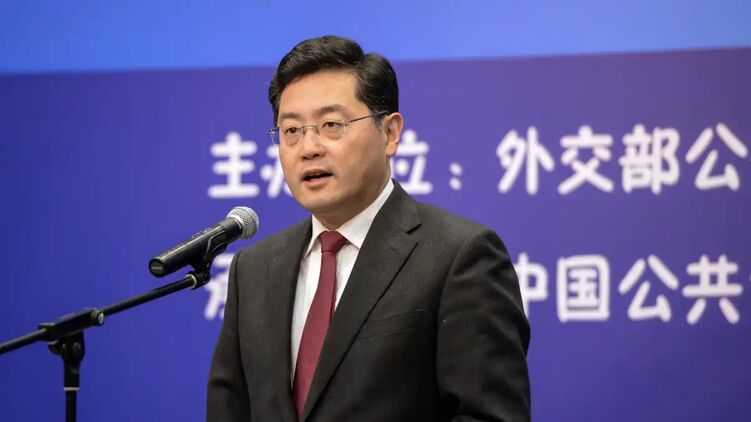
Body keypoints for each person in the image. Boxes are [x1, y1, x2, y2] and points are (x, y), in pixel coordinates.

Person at [207, 35, 531, 422]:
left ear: (390, 133)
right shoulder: (254, 269)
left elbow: (489, 415)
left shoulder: (459, 257)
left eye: (331, 125)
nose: (308, 148)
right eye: (291, 130)